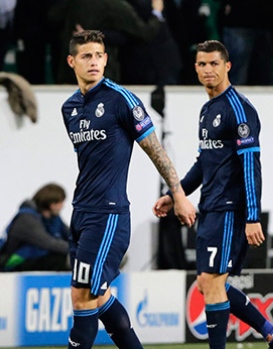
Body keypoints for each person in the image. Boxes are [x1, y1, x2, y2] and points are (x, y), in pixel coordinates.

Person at [152, 40, 273, 349]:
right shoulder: (207, 110)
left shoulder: (239, 109)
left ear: (227, 66)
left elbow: (250, 165)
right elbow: (205, 162)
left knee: (213, 283)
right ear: (195, 68)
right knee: (208, 283)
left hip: (231, 210)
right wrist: (176, 194)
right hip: (211, 208)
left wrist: (253, 216)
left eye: (214, 64)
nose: (208, 70)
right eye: (202, 64)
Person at [61, 30, 196, 349]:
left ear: (106, 59)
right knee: (101, 296)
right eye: (86, 56)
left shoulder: (121, 99)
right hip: (81, 214)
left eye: (99, 55)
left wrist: (178, 195)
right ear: (72, 61)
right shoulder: (69, 108)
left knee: (82, 297)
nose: (94, 61)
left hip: (108, 215)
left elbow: (155, 150)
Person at [0, 183, 70, 272]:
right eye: (61, 202)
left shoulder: (53, 218)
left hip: (33, 257)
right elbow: (47, 243)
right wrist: (76, 249)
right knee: (59, 260)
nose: (62, 206)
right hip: (14, 261)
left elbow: (70, 234)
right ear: (52, 204)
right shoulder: (26, 219)